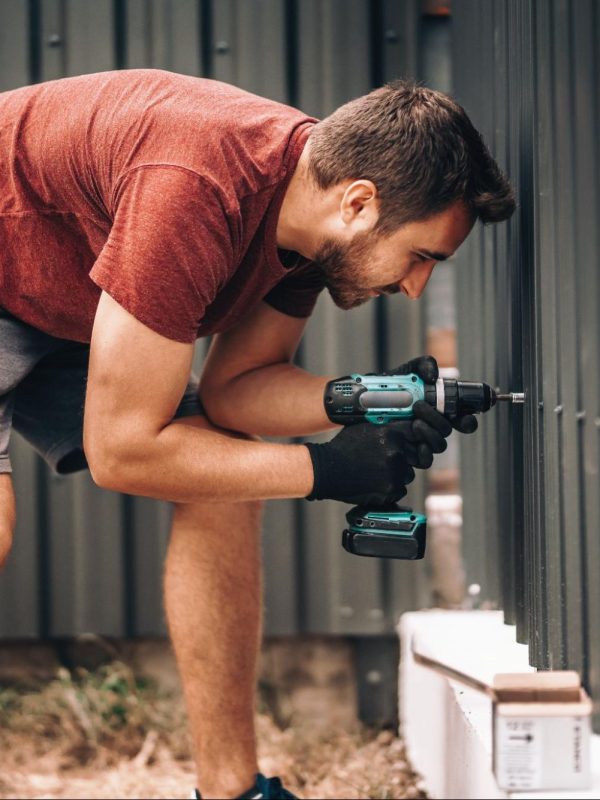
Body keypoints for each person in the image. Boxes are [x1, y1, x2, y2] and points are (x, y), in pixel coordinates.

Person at [0, 70, 514, 799]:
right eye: (422, 255)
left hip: (61, 295)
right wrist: (328, 473)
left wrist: (364, 401)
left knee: (220, 478)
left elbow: (235, 393)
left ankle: (230, 790)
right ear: (360, 202)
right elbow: (123, 451)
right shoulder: (195, 188)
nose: (416, 286)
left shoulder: (309, 222)